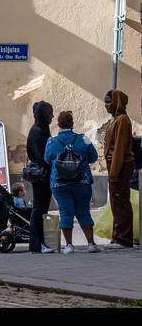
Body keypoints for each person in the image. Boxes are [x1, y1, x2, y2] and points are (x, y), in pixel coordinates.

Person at [45, 110, 101, 254]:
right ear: (72, 123)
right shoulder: (84, 139)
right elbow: (94, 157)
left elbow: (47, 159)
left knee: (65, 213)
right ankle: (91, 244)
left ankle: (69, 246)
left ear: (58, 124)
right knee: (84, 212)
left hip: (59, 183)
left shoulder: (51, 141)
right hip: (82, 182)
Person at [103, 90, 135, 249]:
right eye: (105, 102)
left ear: (117, 102)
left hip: (120, 166)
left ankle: (124, 239)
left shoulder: (122, 120)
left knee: (120, 200)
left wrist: (115, 172)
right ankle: (118, 237)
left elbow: (120, 149)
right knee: (117, 202)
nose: (106, 105)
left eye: (109, 102)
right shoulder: (116, 119)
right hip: (115, 165)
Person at [26, 100, 55, 254]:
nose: (53, 116)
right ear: (44, 115)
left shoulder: (41, 130)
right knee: (39, 209)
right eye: (50, 113)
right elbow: (42, 156)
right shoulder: (38, 132)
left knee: (41, 209)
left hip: (44, 175)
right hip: (41, 176)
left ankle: (40, 243)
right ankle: (37, 244)